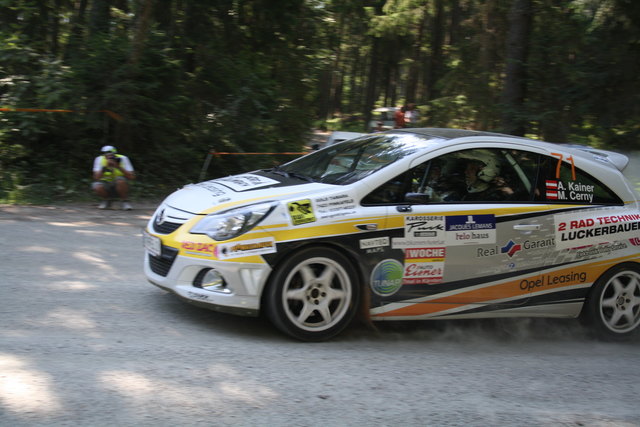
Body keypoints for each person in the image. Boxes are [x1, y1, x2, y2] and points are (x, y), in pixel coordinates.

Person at [92, 145, 135, 210]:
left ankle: (125, 201)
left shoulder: (123, 158)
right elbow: (96, 178)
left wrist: (118, 167)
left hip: (121, 185)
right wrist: (105, 167)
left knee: (120, 180)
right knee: (97, 186)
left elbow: (132, 177)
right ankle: (107, 200)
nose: (109, 156)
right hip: (106, 184)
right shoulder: (99, 159)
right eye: (106, 153)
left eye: (111, 154)